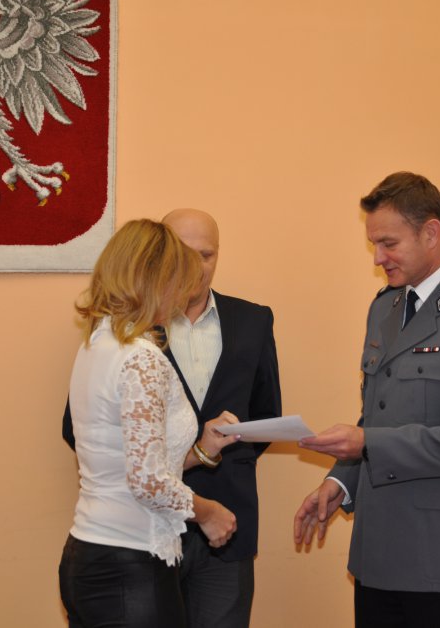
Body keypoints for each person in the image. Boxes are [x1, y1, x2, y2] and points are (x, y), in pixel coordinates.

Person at [293, 172, 440, 628]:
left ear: (431, 232)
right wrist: (340, 482)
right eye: (374, 244)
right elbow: (380, 414)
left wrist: (365, 443)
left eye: (388, 244)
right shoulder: (386, 306)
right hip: (380, 557)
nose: (378, 258)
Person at [63, 209, 282, 628]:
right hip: (131, 561)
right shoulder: (141, 357)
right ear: (155, 277)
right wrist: (208, 512)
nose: (187, 287)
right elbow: (147, 480)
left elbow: (132, 457)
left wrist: (203, 451)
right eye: (179, 273)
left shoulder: (98, 342)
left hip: (91, 550)